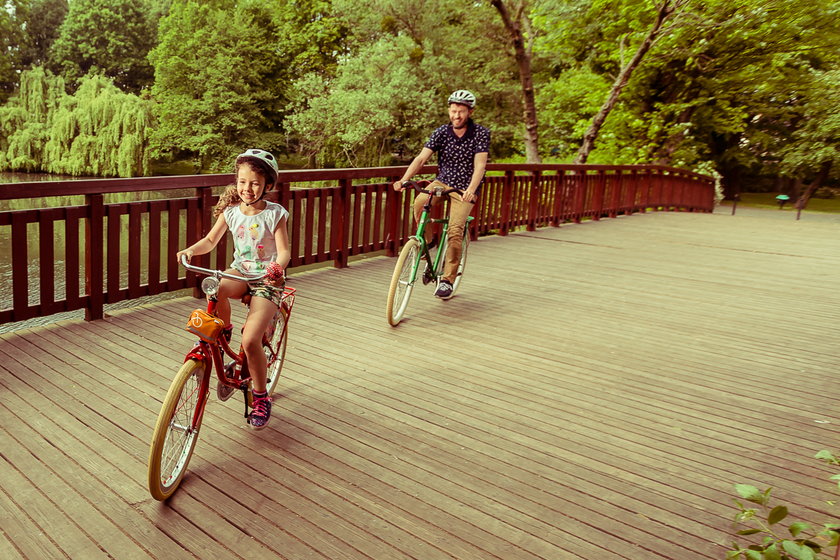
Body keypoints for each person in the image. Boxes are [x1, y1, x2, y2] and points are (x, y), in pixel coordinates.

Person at [177, 149, 291, 430]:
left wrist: (277, 268)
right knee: (216, 288)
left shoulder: (275, 214)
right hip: (241, 272)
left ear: (267, 186)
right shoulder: (230, 213)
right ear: (235, 182)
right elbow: (209, 240)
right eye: (242, 181)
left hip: (267, 279)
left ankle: (261, 397)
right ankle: (223, 330)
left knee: (252, 341)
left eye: (254, 183)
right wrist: (191, 250)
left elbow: (284, 251)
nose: (247, 188)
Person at [392, 89, 490, 299]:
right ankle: (428, 240)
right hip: (442, 182)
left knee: (455, 231)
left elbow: (480, 166)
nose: (456, 116)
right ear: (449, 110)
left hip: (464, 188)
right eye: (453, 111)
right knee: (419, 203)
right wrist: (404, 179)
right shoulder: (441, 132)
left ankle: (447, 280)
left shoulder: (481, 133)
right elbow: (421, 159)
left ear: (470, 112)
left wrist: (471, 190)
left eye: (461, 111)